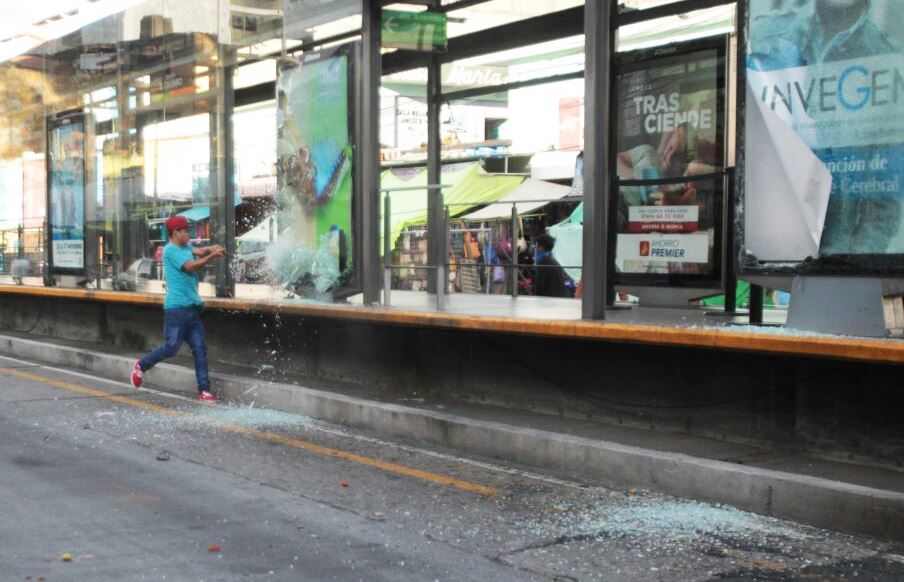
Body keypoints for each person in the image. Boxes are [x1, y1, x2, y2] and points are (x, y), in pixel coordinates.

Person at [130, 215, 226, 403]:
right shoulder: (170, 251)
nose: (188, 233)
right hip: (176, 310)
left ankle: (204, 390)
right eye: (185, 230)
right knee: (171, 347)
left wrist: (212, 248)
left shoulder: (185, 247)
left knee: (200, 349)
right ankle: (141, 365)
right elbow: (191, 266)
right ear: (175, 233)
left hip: (192, 309)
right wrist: (213, 256)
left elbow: (199, 250)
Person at [532, 233, 569, 298]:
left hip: (550, 299)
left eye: (537, 245)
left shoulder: (543, 262)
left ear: (541, 247)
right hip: (560, 297)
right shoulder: (553, 260)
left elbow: (540, 285)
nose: (536, 247)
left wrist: (536, 299)